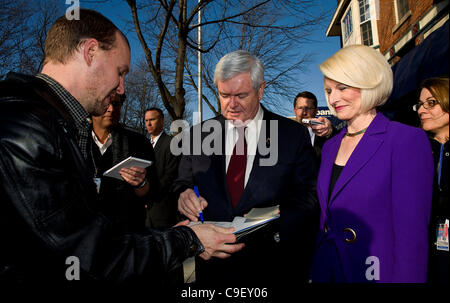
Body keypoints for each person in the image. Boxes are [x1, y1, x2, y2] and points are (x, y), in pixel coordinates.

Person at [0, 9, 243, 287]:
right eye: (120, 73)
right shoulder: (27, 129)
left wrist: (166, 237)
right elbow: (88, 257)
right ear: (90, 51)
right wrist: (188, 240)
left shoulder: (47, 122)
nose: (122, 88)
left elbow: (87, 234)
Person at [173, 50, 319, 285]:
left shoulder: (292, 135)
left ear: (260, 90)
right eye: (224, 95)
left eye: (241, 95)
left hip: (272, 266)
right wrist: (182, 196)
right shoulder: (198, 136)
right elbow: (181, 183)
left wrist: (273, 225)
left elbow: (309, 197)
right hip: (213, 270)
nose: (231, 105)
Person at [309, 44, 434, 283]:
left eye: (342, 87)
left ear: (369, 83)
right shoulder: (330, 147)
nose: (333, 99)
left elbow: (412, 235)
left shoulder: (405, 140)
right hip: (330, 270)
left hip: (377, 273)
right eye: (328, 90)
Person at [91, 93, 157, 232]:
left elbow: (153, 191)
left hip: (127, 232)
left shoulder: (139, 143)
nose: (111, 109)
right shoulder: (72, 141)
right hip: (83, 234)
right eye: (105, 103)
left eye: (116, 104)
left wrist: (141, 184)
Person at [414, 76, 449, 283]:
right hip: (427, 254)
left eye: (431, 103)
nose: (421, 110)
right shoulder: (417, 150)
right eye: (419, 104)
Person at [144, 107, 180, 229]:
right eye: (146, 120)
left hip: (162, 209)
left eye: (152, 119)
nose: (148, 123)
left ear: (162, 121)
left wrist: (147, 194)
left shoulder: (172, 143)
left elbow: (170, 176)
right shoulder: (143, 145)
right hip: (143, 211)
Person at [293, 91, 335, 162]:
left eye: (308, 108)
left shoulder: (326, 135)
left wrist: (330, 132)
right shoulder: (285, 135)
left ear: (316, 111)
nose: (304, 112)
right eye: (300, 108)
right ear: (294, 111)